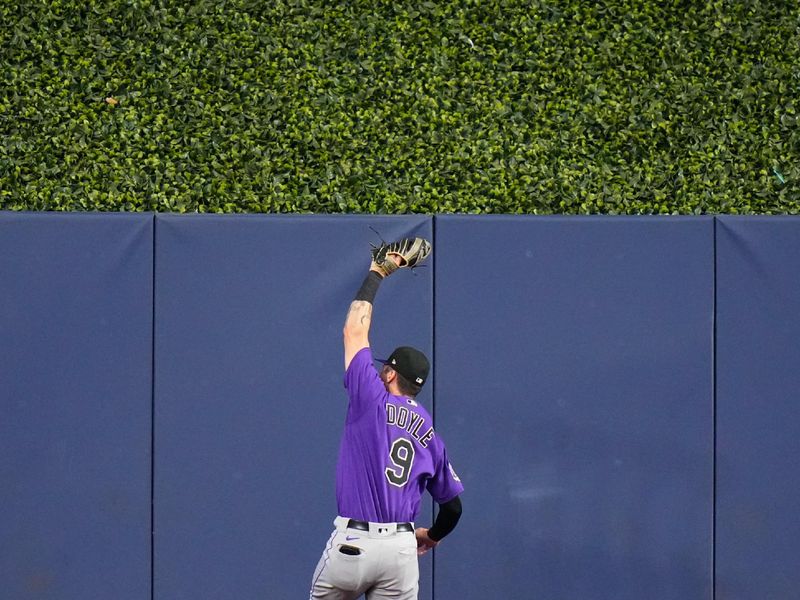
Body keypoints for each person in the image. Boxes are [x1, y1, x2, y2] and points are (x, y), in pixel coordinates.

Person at [309, 238, 464, 600]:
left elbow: (354, 330)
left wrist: (378, 272)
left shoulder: (371, 398)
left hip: (355, 543)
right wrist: (433, 536)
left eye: (385, 368)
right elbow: (453, 507)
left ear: (391, 374)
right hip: (400, 550)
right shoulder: (429, 434)